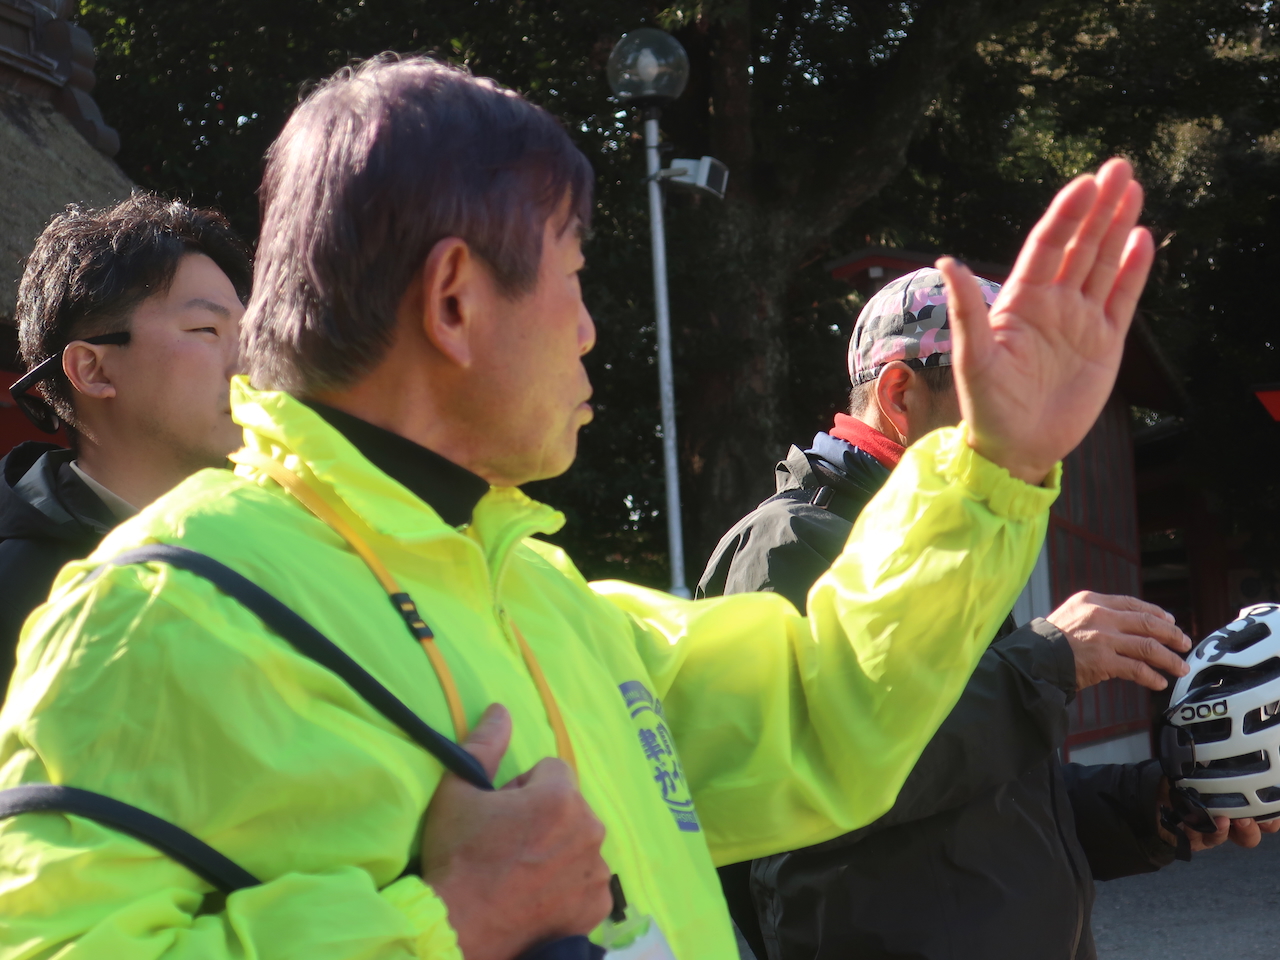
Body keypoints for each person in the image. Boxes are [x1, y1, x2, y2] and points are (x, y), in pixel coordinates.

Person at [0, 56, 1155, 960]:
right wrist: (443, 928)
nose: (592, 327)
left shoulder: (537, 597)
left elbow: (818, 708)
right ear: (456, 300)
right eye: (571, 274)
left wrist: (994, 464)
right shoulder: (167, 608)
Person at [699, 267, 1279, 960]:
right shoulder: (789, 545)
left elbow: (991, 799)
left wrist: (1157, 805)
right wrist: (1047, 660)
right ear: (900, 392)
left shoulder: (942, 543)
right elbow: (818, 780)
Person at [0, 194, 250, 679]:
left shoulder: (277, 545)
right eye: (207, 330)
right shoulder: (18, 591)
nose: (248, 364)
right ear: (92, 370)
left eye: (249, 335)